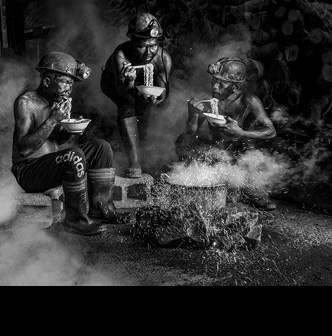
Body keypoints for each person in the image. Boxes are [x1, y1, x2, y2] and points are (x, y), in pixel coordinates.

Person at [11, 51, 131, 236]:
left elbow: (57, 141)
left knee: (102, 147)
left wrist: (70, 130)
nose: (69, 88)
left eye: (71, 84)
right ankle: (75, 220)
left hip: (50, 165)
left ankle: (101, 208)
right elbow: (24, 149)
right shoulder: (26, 103)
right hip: (29, 172)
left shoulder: (57, 102)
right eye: (65, 82)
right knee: (74, 155)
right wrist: (53, 119)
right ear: (47, 81)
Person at [175, 56, 285, 211]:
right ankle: (191, 181)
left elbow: (271, 131)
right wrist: (193, 114)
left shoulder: (249, 100)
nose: (215, 86)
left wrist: (241, 132)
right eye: (214, 80)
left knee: (258, 156)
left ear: (235, 86)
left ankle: (249, 190)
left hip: (240, 152)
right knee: (184, 140)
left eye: (221, 83)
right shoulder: (209, 101)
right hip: (216, 150)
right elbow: (191, 131)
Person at [101, 12, 172, 178]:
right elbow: (123, 92)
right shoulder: (121, 55)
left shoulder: (164, 59)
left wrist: (157, 98)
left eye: (153, 46)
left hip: (142, 86)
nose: (148, 52)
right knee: (128, 106)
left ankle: (145, 156)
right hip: (115, 84)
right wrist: (129, 82)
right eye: (141, 46)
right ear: (132, 42)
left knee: (145, 111)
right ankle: (134, 162)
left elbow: (163, 90)